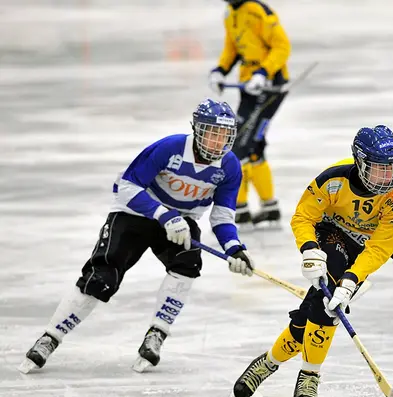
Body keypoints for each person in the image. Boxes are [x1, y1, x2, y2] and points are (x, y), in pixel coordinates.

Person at [18, 99, 255, 374]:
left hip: (181, 222)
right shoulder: (170, 147)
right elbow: (127, 187)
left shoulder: (230, 167)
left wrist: (234, 248)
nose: (217, 142)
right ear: (198, 129)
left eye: (224, 135)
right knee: (102, 277)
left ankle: (156, 334)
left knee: (187, 266)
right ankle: (50, 337)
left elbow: (222, 217)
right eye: (212, 133)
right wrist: (165, 215)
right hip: (136, 214)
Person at [229, 125, 393, 397]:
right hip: (331, 233)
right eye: (379, 169)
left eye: (392, 169)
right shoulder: (333, 180)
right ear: (361, 162)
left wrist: (352, 281)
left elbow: (379, 249)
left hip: (362, 248)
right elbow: (304, 216)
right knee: (327, 307)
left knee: (314, 310)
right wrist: (311, 250)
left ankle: (267, 362)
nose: (387, 177)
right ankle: (310, 375)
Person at [209, 0, 291, 230]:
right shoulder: (230, 13)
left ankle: (241, 211)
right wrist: (220, 70)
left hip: (269, 87)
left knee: (237, 145)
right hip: (250, 87)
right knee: (253, 146)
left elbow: (282, 46)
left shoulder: (258, 12)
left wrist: (265, 72)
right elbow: (232, 48)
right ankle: (270, 208)